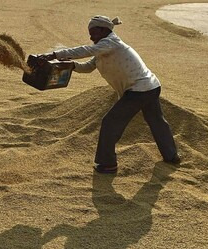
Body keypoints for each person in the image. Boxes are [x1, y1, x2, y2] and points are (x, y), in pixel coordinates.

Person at [39, 15, 181, 174]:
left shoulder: (111, 42)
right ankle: (171, 155)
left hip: (138, 90)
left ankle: (107, 164)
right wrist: (72, 65)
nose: (91, 36)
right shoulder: (104, 48)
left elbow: (87, 50)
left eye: (93, 32)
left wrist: (53, 55)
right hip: (151, 87)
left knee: (110, 123)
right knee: (156, 120)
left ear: (103, 30)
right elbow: (88, 66)